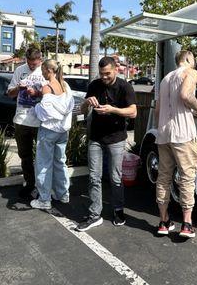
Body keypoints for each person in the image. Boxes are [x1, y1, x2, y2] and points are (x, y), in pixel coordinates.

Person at [75, 57, 136, 231]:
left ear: (116, 69)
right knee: (94, 176)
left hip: (116, 139)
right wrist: (88, 102)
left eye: (107, 73)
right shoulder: (94, 85)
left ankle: (118, 209)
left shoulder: (125, 87)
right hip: (95, 137)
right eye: (102, 74)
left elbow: (133, 112)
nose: (104, 77)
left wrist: (113, 109)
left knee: (116, 177)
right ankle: (95, 214)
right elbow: (82, 110)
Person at [155, 50, 197, 238]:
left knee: (163, 178)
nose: (194, 63)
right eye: (193, 59)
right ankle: (187, 224)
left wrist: (161, 126)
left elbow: (158, 108)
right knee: (186, 177)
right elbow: (185, 95)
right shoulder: (190, 72)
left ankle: (164, 221)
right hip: (183, 133)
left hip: (164, 134)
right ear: (187, 59)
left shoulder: (165, 78)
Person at [30, 60, 74, 210]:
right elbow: (69, 107)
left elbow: (45, 113)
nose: (42, 73)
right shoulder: (65, 86)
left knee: (43, 164)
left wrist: (36, 107)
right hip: (63, 131)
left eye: (43, 70)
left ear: (49, 71)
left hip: (49, 130)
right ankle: (63, 194)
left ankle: (44, 199)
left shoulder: (47, 88)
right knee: (60, 162)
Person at [7, 47, 46, 199]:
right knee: (25, 156)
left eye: (34, 64)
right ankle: (29, 183)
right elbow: (10, 93)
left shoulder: (45, 71)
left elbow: (54, 93)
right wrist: (18, 88)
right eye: (29, 64)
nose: (31, 67)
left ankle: (42, 186)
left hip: (40, 122)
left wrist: (37, 92)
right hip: (21, 121)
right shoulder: (19, 70)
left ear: (40, 60)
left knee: (42, 156)